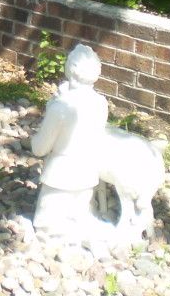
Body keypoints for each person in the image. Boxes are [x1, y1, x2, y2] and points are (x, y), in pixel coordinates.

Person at [30, 44, 109, 238]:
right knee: (77, 217)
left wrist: (52, 107)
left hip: (60, 176)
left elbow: (40, 148)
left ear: (70, 70)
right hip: (86, 176)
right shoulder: (101, 103)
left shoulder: (61, 107)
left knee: (45, 224)